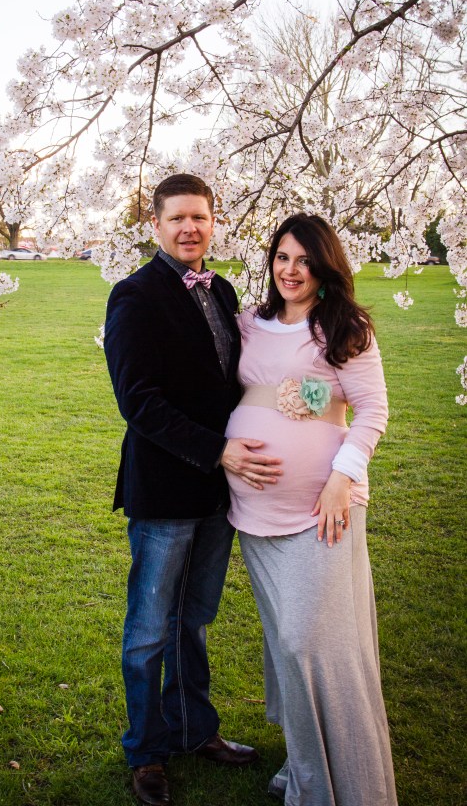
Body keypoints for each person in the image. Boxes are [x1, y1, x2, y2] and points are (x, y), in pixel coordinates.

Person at [104, 173, 282, 806]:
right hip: (165, 491)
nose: (189, 229)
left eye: (200, 218)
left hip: (218, 493)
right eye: (177, 218)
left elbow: (236, 382)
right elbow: (138, 401)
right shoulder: (134, 296)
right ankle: (146, 752)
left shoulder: (224, 289)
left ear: (214, 222)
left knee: (195, 621)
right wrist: (217, 450)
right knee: (150, 628)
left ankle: (192, 729)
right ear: (155, 225)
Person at [225, 213, 397, 806]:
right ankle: (302, 764)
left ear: (324, 267)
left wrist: (339, 481)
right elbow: (263, 389)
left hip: (323, 508)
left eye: (303, 260)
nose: (290, 271)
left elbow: (370, 409)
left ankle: (341, 781)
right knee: (284, 644)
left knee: (310, 643)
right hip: (253, 513)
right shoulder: (252, 322)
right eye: (281, 258)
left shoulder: (345, 327)